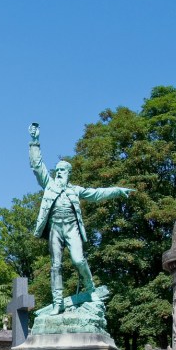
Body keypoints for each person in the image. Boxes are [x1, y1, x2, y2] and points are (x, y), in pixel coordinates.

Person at [29, 123, 133, 313]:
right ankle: (58, 301)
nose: (59, 172)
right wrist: (35, 142)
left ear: (69, 173)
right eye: (57, 170)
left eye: (63, 170)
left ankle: (90, 287)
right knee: (55, 265)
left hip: (71, 228)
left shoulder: (75, 190)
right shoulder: (49, 185)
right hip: (55, 228)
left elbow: (97, 194)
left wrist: (117, 190)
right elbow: (37, 166)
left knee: (78, 260)